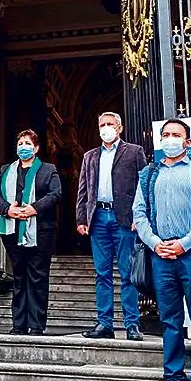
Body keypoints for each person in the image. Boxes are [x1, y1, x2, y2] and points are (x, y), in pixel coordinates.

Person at [132, 118, 191, 381]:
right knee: (169, 321)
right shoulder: (148, 174)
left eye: (176, 135)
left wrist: (184, 244)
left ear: (187, 142)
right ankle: (174, 380)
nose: (170, 138)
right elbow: (140, 213)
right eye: (165, 134)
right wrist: (156, 243)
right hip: (160, 255)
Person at [75, 111, 147, 341]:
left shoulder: (134, 152)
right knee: (102, 274)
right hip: (98, 218)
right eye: (102, 124)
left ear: (119, 127)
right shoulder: (90, 156)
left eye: (110, 124)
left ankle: (132, 325)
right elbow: (83, 189)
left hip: (124, 218)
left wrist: (141, 216)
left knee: (127, 273)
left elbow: (143, 186)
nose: (105, 128)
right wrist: (81, 218)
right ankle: (104, 323)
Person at [0, 129, 62, 335]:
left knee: (38, 276)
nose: (23, 147)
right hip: (12, 229)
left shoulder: (48, 170)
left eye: (28, 143)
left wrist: (34, 208)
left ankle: (37, 324)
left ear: (36, 148)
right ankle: (19, 324)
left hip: (41, 230)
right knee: (19, 276)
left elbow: (56, 193)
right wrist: (7, 209)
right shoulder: (6, 170)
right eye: (20, 143)